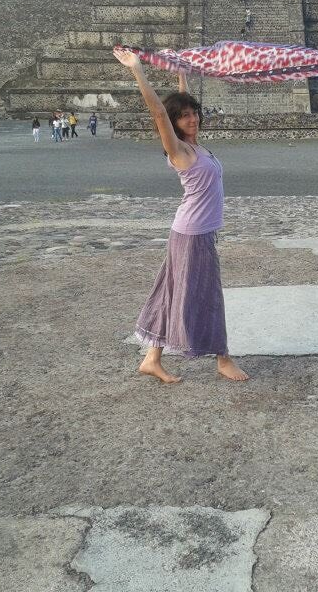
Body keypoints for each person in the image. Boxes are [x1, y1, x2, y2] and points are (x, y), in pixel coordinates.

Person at [113, 48, 248, 384]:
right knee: (208, 294)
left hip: (191, 233)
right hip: (192, 234)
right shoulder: (179, 150)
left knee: (170, 291)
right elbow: (159, 113)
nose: (192, 119)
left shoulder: (197, 146)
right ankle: (223, 358)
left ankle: (152, 359)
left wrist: (180, 72)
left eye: (194, 113)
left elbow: (177, 105)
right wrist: (137, 70)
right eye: (184, 116)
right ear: (174, 124)